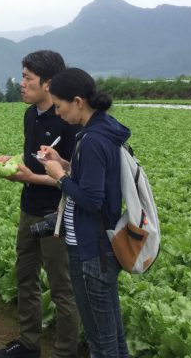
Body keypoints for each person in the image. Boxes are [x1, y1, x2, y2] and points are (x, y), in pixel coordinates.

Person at [0, 51, 80, 358]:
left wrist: (31, 177)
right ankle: (29, 343)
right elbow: (34, 158)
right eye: (23, 76)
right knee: (25, 275)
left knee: (61, 287)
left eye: (28, 78)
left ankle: (65, 352)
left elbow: (72, 174)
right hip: (29, 206)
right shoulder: (31, 115)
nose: (22, 83)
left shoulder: (68, 120)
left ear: (49, 83)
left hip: (57, 213)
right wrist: (12, 162)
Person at [39, 67, 130, 357]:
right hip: (104, 246)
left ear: (78, 101)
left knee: (101, 344)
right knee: (113, 337)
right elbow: (94, 176)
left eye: (59, 105)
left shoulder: (91, 140)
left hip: (91, 250)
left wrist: (59, 177)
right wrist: (64, 163)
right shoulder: (103, 129)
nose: (57, 112)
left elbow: (91, 199)